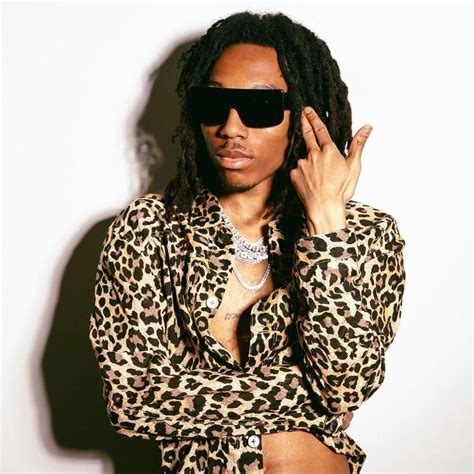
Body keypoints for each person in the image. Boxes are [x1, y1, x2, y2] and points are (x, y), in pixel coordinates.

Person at [89, 10, 406, 474]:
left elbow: (346, 385)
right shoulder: (148, 229)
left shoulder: (364, 234)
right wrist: (308, 400)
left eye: (259, 108)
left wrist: (325, 224)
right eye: (213, 104)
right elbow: (132, 399)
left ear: (304, 118)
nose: (231, 128)